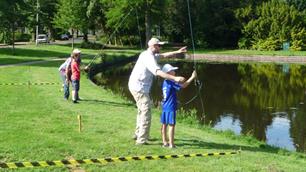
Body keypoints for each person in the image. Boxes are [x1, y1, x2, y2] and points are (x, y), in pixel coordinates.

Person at [128, 37, 187, 145]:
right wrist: (175, 78)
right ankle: (141, 139)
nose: (160, 47)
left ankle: (138, 133)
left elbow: (164, 55)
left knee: (141, 110)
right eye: (159, 45)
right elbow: (158, 72)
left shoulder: (151, 55)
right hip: (139, 88)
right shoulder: (148, 57)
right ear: (153, 46)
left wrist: (178, 52)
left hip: (136, 86)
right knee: (146, 111)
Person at [160, 64, 197, 148]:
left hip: (165, 106)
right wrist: (192, 77)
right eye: (173, 70)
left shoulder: (165, 82)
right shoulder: (171, 82)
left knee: (164, 125)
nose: (174, 71)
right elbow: (184, 85)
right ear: (168, 72)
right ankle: (171, 144)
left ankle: (164, 142)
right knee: (171, 125)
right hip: (170, 107)